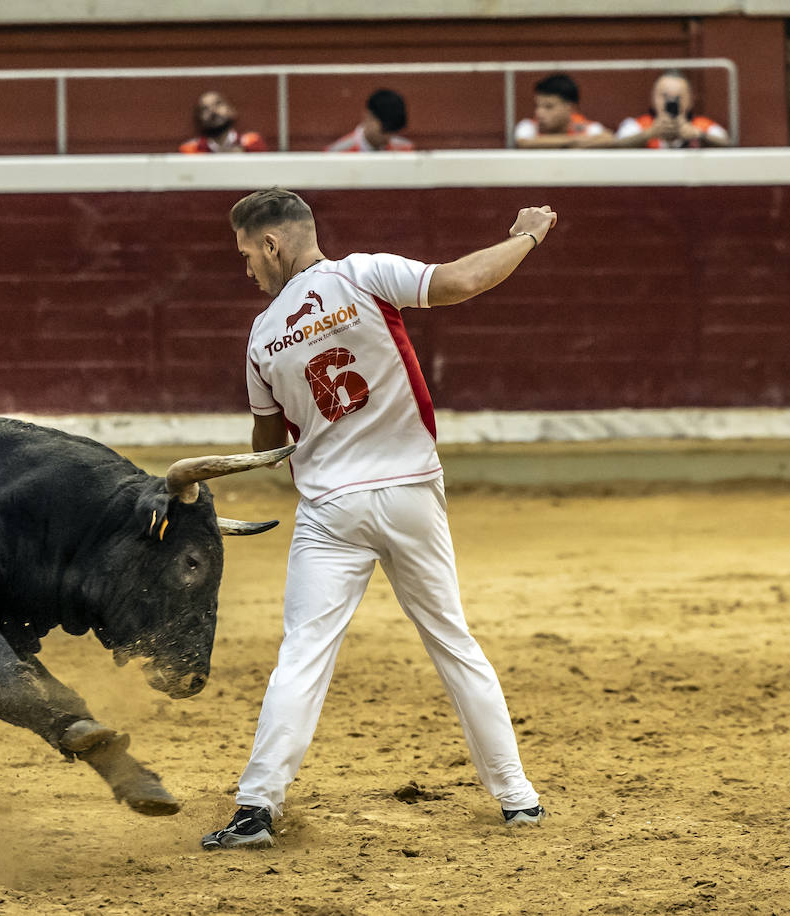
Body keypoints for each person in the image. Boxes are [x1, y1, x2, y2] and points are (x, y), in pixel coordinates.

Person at [200, 188, 557, 850]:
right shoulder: (362, 274)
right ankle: (518, 799)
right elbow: (462, 281)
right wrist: (528, 236)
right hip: (410, 492)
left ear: (273, 244)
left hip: (330, 510)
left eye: (247, 254)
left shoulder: (260, 335)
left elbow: (267, 448)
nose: (246, 267)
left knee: (303, 655)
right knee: (452, 641)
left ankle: (256, 808)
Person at [614, 70, 732, 149]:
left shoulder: (703, 126)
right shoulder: (638, 125)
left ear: (691, 99)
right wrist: (649, 135)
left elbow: (729, 145)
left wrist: (699, 136)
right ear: (653, 97)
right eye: (664, 96)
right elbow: (616, 145)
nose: (670, 102)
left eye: (679, 97)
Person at [513, 73, 610, 148]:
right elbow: (525, 142)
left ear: (570, 108)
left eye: (548, 107)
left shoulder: (589, 128)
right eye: (537, 106)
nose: (539, 113)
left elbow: (608, 138)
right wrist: (575, 142)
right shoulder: (529, 126)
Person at [325, 88, 415, 152]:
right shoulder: (337, 154)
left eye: (393, 131)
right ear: (368, 117)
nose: (388, 137)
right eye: (384, 130)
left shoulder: (405, 149)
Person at [180, 91, 270, 153]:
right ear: (199, 118)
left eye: (218, 104)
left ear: (232, 110)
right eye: (205, 109)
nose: (212, 111)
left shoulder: (251, 144)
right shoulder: (191, 150)